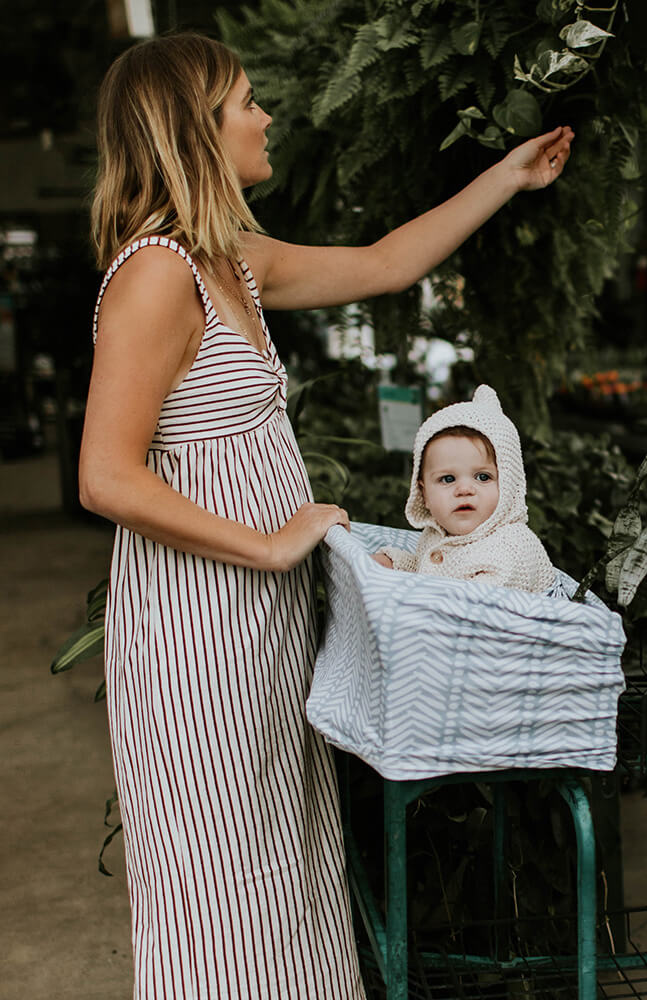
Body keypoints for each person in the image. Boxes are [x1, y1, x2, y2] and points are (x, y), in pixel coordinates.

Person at [78, 32, 573, 1000]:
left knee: (280, 855)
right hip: (197, 624)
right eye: (246, 102)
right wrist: (269, 541)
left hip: (258, 615)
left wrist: (506, 177)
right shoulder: (155, 276)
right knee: (214, 871)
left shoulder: (229, 261)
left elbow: (387, 262)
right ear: (194, 128)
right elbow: (106, 475)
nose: (266, 116)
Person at [374, 385, 556, 593]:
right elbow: (426, 571)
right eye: (448, 479)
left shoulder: (512, 547)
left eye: (483, 477)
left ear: (509, 485)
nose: (464, 489)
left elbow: (471, 607)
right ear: (423, 494)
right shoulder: (437, 534)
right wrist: (392, 564)